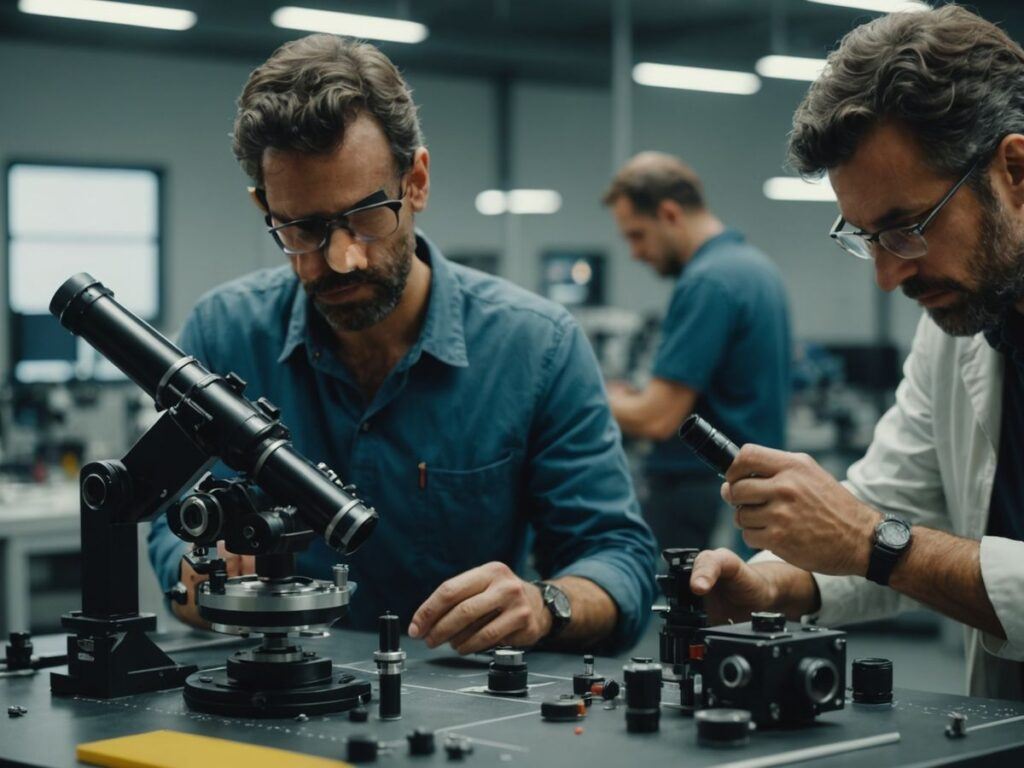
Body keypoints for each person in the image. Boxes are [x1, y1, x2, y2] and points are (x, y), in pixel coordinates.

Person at [148, 34, 656, 654]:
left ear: (415, 181)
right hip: (269, 704)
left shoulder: (536, 348)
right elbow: (173, 524)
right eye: (302, 228)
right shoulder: (224, 336)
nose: (340, 258)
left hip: (463, 718)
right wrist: (196, 573)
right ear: (265, 206)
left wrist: (545, 603)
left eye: (365, 215)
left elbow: (617, 558)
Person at [692, 5, 1024, 699]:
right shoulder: (959, 324)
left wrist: (873, 538)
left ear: (1015, 171)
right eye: (866, 236)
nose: (887, 275)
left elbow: (881, 537)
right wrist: (774, 584)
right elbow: (894, 509)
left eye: (907, 227)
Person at [602, 153, 791, 555]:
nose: (635, 253)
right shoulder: (756, 268)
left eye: (637, 235)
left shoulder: (708, 282)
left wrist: (594, 396)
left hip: (702, 496)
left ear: (669, 214)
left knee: (687, 612)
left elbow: (657, 417)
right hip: (748, 489)